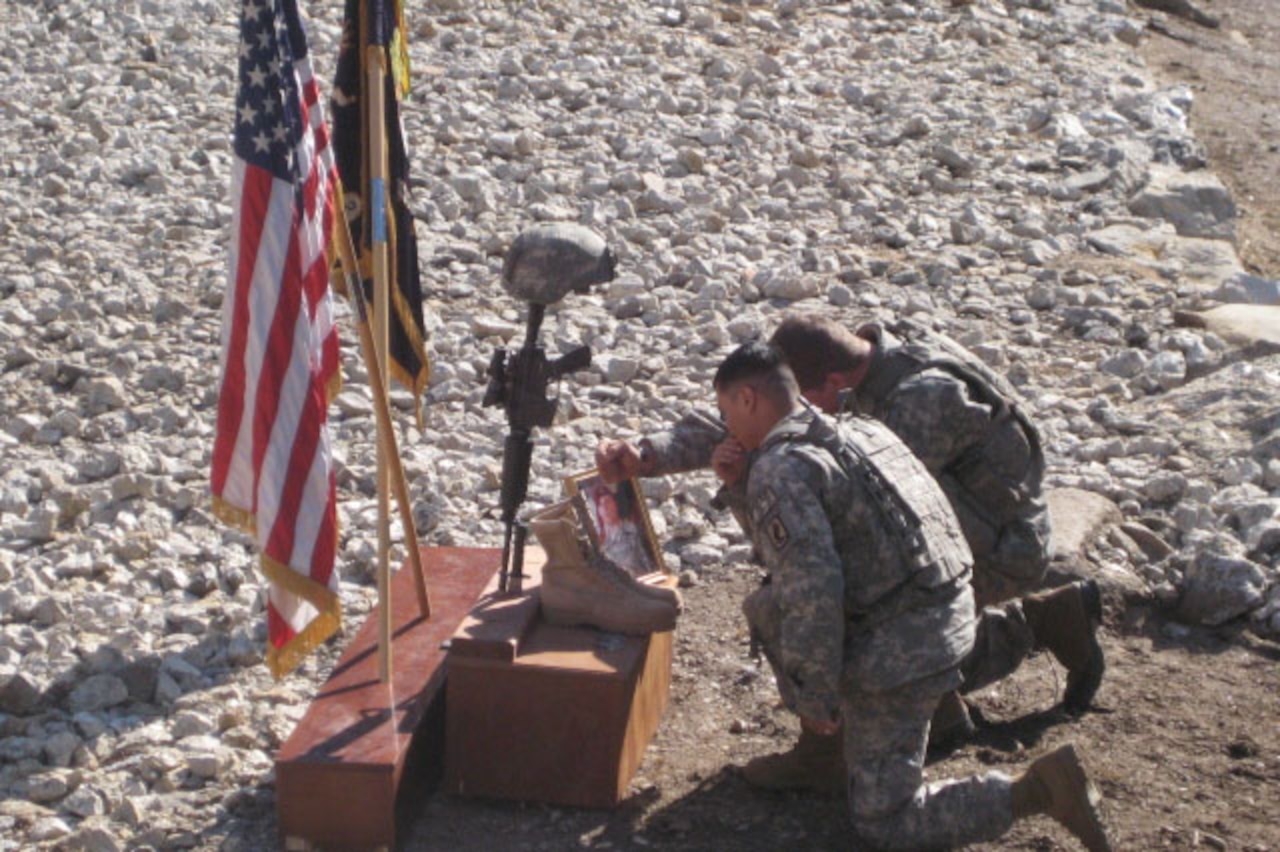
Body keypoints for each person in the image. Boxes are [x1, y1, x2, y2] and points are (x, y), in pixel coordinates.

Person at [598, 315, 1103, 765]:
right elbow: (747, 423)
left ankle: (871, 730)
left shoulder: (918, 406)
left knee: (828, 600)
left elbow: (871, 533)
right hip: (966, 527)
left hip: (1000, 550)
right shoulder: (869, 355)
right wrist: (647, 456)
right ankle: (1042, 628)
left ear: (834, 384)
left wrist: (754, 496)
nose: (797, 412)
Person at [697, 342, 1112, 851]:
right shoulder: (861, 427)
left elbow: (811, 589)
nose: (726, 427)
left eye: (724, 412)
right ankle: (1035, 625)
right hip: (950, 611)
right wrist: (739, 486)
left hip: (902, 653)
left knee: (886, 821)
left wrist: (816, 697)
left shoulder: (783, 468)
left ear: (746, 398)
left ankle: (1037, 791)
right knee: (920, 661)